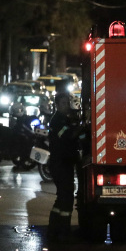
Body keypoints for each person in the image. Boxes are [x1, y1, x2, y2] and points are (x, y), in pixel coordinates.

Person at [46, 92, 81, 242]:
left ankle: (55, 228)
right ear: (58, 105)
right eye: (64, 103)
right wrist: (81, 127)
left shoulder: (64, 119)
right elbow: (67, 136)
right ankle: (63, 230)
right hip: (60, 163)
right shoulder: (57, 120)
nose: (67, 106)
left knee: (63, 197)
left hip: (64, 162)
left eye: (68, 103)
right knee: (66, 196)